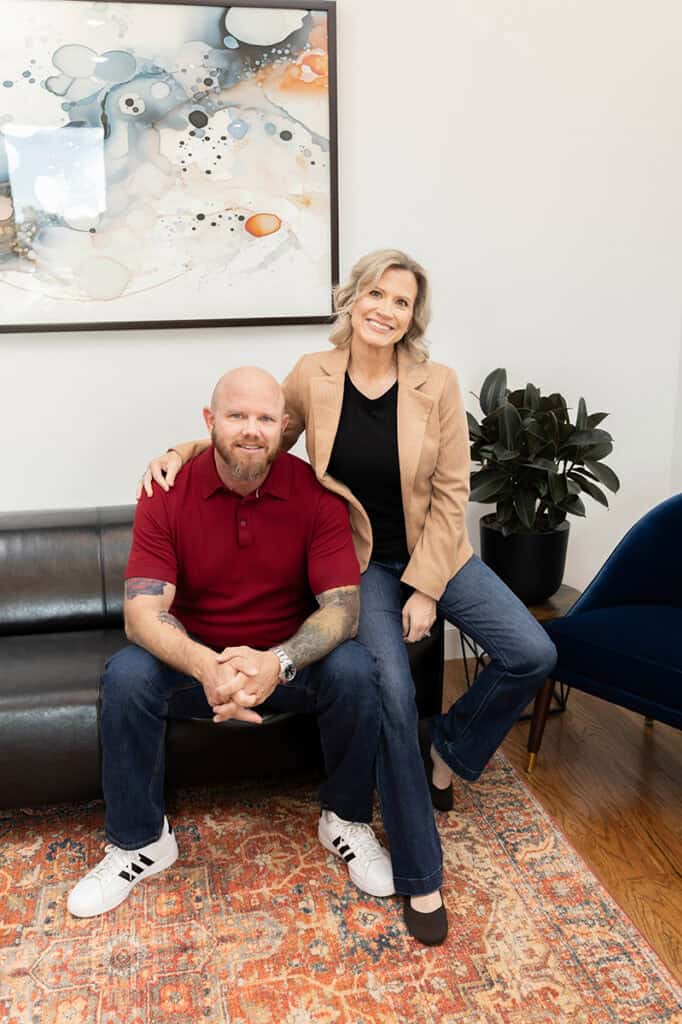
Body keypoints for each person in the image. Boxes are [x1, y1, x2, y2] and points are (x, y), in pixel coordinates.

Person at [139, 250, 558, 946]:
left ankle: (447, 751)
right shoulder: (313, 375)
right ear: (352, 298)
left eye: (401, 302)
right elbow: (258, 437)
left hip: (437, 552)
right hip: (362, 561)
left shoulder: (438, 382)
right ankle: (422, 877)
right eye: (376, 293)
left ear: (411, 317)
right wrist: (185, 450)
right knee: (391, 694)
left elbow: (454, 492)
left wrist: (426, 587)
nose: (385, 310)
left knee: (531, 652)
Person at [67, 367, 394, 920]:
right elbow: (142, 614)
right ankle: (141, 841)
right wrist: (205, 665)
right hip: (197, 664)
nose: (251, 429)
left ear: (284, 426)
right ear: (209, 421)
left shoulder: (316, 495)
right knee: (126, 675)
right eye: (237, 415)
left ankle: (345, 819)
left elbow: (343, 609)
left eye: (265, 418)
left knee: (357, 669)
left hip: (285, 663)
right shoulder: (166, 491)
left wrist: (278, 662)